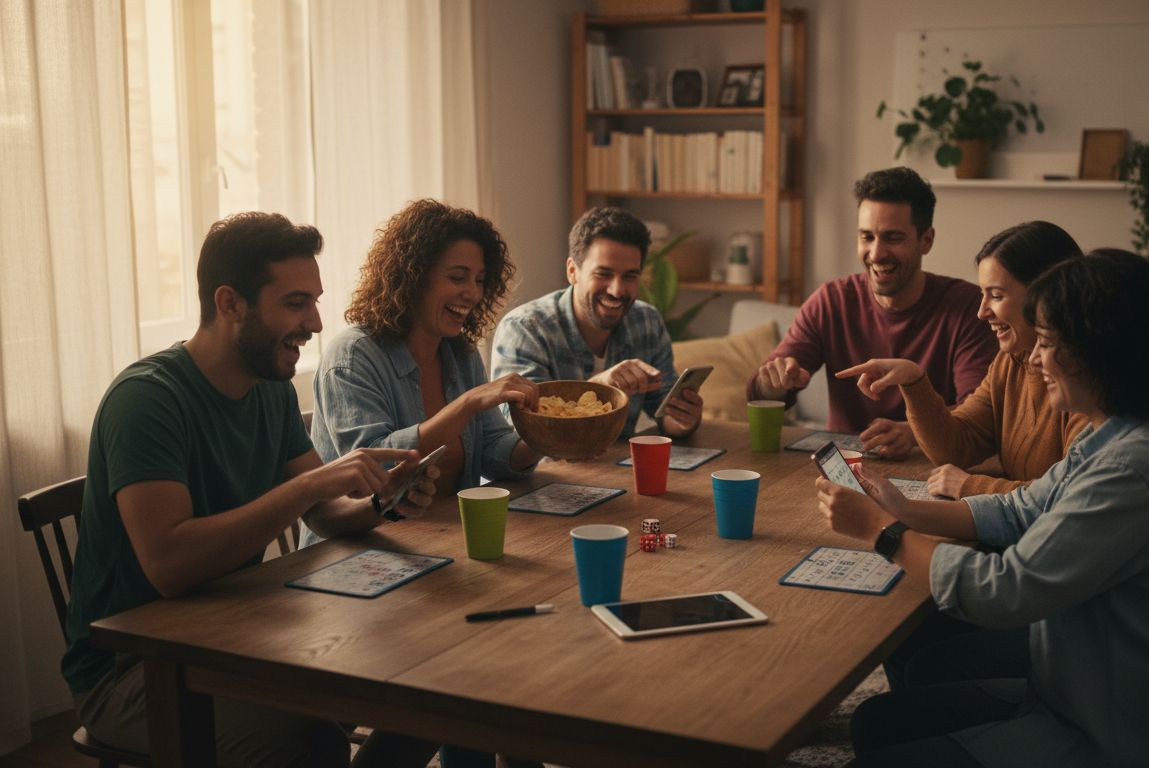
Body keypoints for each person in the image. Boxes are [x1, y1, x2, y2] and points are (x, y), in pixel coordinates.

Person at [815, 249, 1149, 767]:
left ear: (1101, 354)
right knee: (877, 720)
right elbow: (1019, 509)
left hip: (1114, 732)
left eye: (1051, 344)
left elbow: (1002, 592)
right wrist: (903, 508)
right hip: (1085, 685)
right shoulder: (1123, 430)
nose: (1035, 359)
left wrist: (884, 533)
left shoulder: (1130, 470)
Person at [62, 212, 443, 767]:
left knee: (437, 682)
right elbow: (169, 566)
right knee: (307, 744)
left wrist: (382, 501)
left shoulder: (269, 389)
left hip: (238, 631)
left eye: (314, 301)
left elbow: (325, 510)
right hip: (133, 668)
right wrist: (313, 483)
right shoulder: (146, 400)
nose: (315, 322)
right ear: (229, 303)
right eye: (295, 303)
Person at [748, 167, 996, 457]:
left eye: (893, 238)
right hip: (843, 468)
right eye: (867, 237)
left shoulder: (968, 308)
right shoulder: (831, 301)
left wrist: (914, 431)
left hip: (930, 468)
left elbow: (978, 413)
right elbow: (760, 393)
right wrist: (773, 384)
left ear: (926, 240)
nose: (876, 254)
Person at [309, 200, 540, 508]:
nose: (473, 293)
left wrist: (544, 439)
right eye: (458, 277)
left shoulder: (461, 353)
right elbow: (375, 469)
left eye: (480, 280)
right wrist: (466, 405)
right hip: (362, 546)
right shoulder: (352, 357)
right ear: (413, 277)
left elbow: (492, 448)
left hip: (447, 534)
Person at [836, 221, 1088, 498]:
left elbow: (1070, 496)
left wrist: (969, 485)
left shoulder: (1085, 381)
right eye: (983, 294)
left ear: (1048, 296)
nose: (982, 312)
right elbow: (955, 447)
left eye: (996, 295)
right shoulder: (1011, 360)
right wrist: (914, 381)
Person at [491, 206, 703, 438]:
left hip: (618, 468)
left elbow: (663, 410)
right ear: (573, 271)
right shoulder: (525, 329)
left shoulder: (646, 322)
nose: (617, 290)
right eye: (603, 274)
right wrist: (598, 388)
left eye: (630, 276)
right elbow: (527, 429)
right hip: (548, 472)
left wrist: (683, 419)